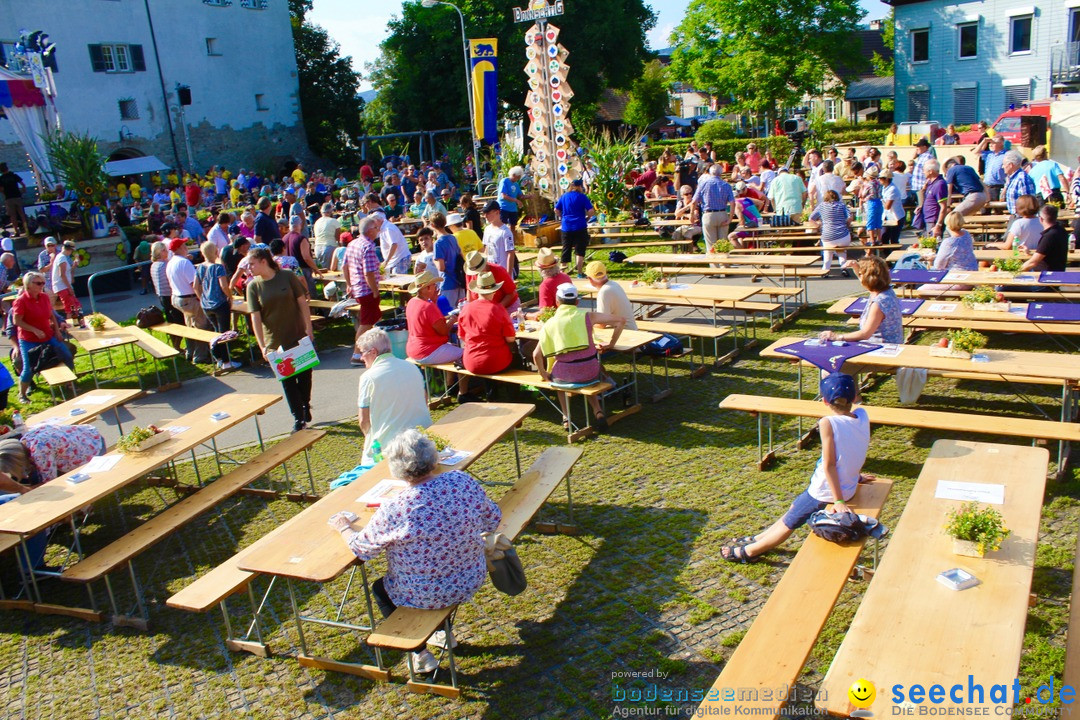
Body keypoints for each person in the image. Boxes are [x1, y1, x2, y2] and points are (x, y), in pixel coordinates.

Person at [328, 428, 500, 674]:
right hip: (471, 577)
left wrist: (343, 527)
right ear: (433, 458)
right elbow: (493, 519)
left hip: (427, 593)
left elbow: (361, 549)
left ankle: (420, 654)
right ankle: (443, 633)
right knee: (438, 567)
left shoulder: (397, 507)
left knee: (380, 589)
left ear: (397, 469)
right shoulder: (461, 481)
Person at [720, 373, 872, 563]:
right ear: (855, 397)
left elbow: (829, 464)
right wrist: (855, 476)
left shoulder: (828, 423)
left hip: (826, 491)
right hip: (846, 486)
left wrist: (838, 500)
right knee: (794, 509)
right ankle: (760, 538)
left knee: (789, 522)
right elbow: (855, 449)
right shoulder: (863, 415)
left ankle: (750, 552)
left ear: (824, 401)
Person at [533, 282, 624, 431]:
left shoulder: (549, 323)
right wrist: (611, 344)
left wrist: (544, 373)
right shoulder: (588, 316)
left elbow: (536, 354)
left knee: (558, 379)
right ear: (577, 301)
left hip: (564, 376)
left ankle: (566, 417)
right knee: (587, 376)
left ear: (557, 302)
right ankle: (598, 411)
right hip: (591, 371)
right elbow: (621, 320)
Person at [246, 245, 315, 431]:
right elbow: (255, 317)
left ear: (263, 261)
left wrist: (308, 328)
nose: (249, 268)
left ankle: (305, 403)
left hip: (298, 335)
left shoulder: (287, 276)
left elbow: (302, 302)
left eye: (252, 264)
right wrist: (262, 345)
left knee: (305, 376)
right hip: (275, 342)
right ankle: (298, 419)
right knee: (288, 380)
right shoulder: (253, 286)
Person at [355, 328, 432, 465]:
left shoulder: (368, 377)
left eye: (362, 353)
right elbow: (424, 399)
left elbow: (364, 420)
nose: (361, 358)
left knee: (370, 456)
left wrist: (371, 440)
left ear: (373, 352)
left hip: (392, 447)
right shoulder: (412, 367)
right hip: (423, 438)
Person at [11, 271, 74, 403]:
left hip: (48, 335)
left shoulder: (44, 297)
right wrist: (34, 330)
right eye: (38, 283)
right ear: (28, 285)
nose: (42, 285)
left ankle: (68, 383)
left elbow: (51, 315)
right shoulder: (20, 301)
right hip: (28, 340)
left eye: (43, 283)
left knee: (66, 354)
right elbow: (17, 322)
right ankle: (22, 395)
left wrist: (57, 331)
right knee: (29, 368)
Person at [820, 256, 903, 344]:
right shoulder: (886, 291)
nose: (859, 276)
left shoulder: (879, 303)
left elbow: (865, 334)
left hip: (882, 348)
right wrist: (856, 268)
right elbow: (866, 281)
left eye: (860, 274)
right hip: (891, 344)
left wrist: (836, 337)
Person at [457, 271, 518, 377]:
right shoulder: (498, 309)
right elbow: (510, 338)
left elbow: (461, 336)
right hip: (497, 362)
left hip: (471, 361)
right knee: (517, 358)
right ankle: (513, 392)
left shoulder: (466, 309)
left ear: (477, 291)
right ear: (494, 291)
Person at [194, 241, 242, 371]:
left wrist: (202, 298)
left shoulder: (200, 267)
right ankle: (226, 361)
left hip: (206, 305)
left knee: (216, 331)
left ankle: (219, 357)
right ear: (215, 252)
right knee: (224, 333)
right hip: (219, 303)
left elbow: (195, 286)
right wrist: (229, 297)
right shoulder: (218, 268)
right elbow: (223, 285)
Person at [344, 216, 384, 365]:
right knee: (366, 323)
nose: (377, 230)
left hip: (358, 288)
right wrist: (375, 290)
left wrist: (349, 284)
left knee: (373, 320)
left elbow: (345, 266)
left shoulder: (352, 244)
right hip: (367, 290)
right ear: (369, 231)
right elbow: (369, 273)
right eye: (375, 228)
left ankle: (374, 350)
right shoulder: (368, 247)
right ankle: (356, 353)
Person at [166, 235, 212, 364]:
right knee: (201, 327)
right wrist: (202, 298)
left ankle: (190, 352)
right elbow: (195, 284)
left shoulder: (171, 262)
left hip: (177, 298)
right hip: (189, 299)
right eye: (184, 245)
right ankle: (200, 356)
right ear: (179, 248)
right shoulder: (184, 262)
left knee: (190, 327)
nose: (186, 247)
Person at [405, 269, 464, 367]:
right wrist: (453, 319)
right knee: (464, 354)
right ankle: (458, 382)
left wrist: (434, 302)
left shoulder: (412, 302)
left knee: (452, 349)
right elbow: (444, 331)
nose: (436, 288)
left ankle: (450, 381)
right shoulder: (428, 306)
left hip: (413, 349)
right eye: (434, 286)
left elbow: (429, 322)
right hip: (428, 351)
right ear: (428, 288)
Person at [554, 179, 595, 278]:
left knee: (566, 249)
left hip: (566, 226)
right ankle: (580, 273)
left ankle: (563, 274)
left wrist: (562, 217)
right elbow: (591, 211)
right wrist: (587, 218)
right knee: (579, 250)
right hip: (580, 225)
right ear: (580, 187)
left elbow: (556, 209)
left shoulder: (564, 196)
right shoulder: (582, 197)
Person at [809, 190, 851, 274]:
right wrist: (847, 224)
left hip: (828, 236)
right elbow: (850, 217)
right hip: (843, 236)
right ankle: (843, 267)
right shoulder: (842, 205)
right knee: (842, 250)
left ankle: (825, 269)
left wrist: (818, 226)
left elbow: (811, 218)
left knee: (828, 252)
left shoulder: (821, 206)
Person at [692, 165, 734, 250]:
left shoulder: (703, 184)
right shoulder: (726, 185)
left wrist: (691, 214)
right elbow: (733, 203)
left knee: (711, 245)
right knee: (723, 244)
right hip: (722, 214)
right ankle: (724, 263)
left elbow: (694, 201)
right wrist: (730, 218)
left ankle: (714, 263)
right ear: (721, 173)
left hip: (708, 215)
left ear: (710, 173)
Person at [585, 261, 636, 329]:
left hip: (625, 333)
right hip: (629, 329)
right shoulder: (613, 284)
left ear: (590, 279)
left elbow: (601, 324)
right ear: (606, 272)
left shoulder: (604, 292)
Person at [1020, 203, 1069, 274]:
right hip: (1057, 273)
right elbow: (1047, 253)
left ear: (1041, 219)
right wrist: (1030, 253)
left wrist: (1013, 272)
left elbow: (1033, 263)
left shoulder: (1050, 236)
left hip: (1046, 277)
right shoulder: (1061, 230)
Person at [431, 213, 465, 307]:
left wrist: (434, 261)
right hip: (459, 279)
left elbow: (441, 267)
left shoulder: (438, 243)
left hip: (448, 283)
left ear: (432, 225)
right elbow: (461, 255)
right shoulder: (453, 237)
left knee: (448, 312)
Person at [282, 215, 321, 296]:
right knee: (310, 294)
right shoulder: (301, 238)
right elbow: (306, 257)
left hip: (288, 272)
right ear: (300, 224)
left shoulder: (284, 238)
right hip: (303, 271)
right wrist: (316, 268)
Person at [481, 200, 516, 274]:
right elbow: (486, 249)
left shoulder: (505, 232)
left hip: (502, 271)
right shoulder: (487, 229)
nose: (485, 216)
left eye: (488, 213)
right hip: (490, 271)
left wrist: (508, 275)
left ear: (497, 212)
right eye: (484, 213)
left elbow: (511, 253)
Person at [52, 240, 82, 324]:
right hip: (63, 286)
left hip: (63, 286)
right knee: (70, 308)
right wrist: (69, 288)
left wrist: (73, 266)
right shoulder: (62, 258)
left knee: (76, 306)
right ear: (69, 250)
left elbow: (66, 272)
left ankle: (77, 323)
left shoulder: (62, 257)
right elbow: (62, 275)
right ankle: (71, 326)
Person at [919, 159, 948, 239]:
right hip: (928, 219)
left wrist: (938, 225)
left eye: (924, 170)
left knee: (933, 246)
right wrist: (924, 189)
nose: (923, 172)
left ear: (930, 171)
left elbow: (943, 206)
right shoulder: (930, 183)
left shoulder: (939, 184)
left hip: (934, 220)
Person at [1002, 150, 1036, 219]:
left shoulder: (1022, 178)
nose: (1002, 167)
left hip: (1022, 218)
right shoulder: (1012, 178)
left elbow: (1027, 203)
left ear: (1011, 165)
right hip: (1015, 216)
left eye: (1004, 164)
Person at [672, 185, 704, 252]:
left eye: (691, 193)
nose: (689, 195)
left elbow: (694, 217)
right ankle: (674, 254)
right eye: (686, 194)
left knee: (688, 233)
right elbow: (676, 214)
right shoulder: (680, 203)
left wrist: (682, 215)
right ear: (682, 195)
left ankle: (689, 253)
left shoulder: (695, 203)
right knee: (675, 234)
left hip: (696, 226)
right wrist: (687, 207)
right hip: (684, 225)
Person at [0, 163, 28, 237]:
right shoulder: (13, 175)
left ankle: (16, 231)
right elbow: (23, 185)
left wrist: (5, 193)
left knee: (13, 216)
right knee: (22, 214)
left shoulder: (1, 178)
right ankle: (27, 229)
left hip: (9, 198)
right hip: (17, 196)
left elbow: (1, 189)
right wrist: (22, 192)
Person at [312, 202, 342, 268]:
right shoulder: (334, 221)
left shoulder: (317, 222)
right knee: (330, 269)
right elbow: (337, 237)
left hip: (318, 248)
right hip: (330, 247)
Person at [879, 170, 904, 247]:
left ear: (886, 179)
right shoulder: (884, 188)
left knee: (894, 240)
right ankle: (887, 255)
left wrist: (880, 201)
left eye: (881, 178)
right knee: (884, 238)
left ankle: (895, 257)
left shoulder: (892, 189)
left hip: (896, 217)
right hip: (888, 217)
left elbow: (887, 206)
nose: (879, 180)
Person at [980, 135, 1008, 201]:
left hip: (997, 187)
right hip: (986, 186)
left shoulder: (1006, 155)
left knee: (998, 209)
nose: (991, 144)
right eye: (990, 143)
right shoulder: (989, 154)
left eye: (993, 143)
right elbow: (976, 152)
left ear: (1001, 143)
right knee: (984, 210)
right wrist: (984, 142)